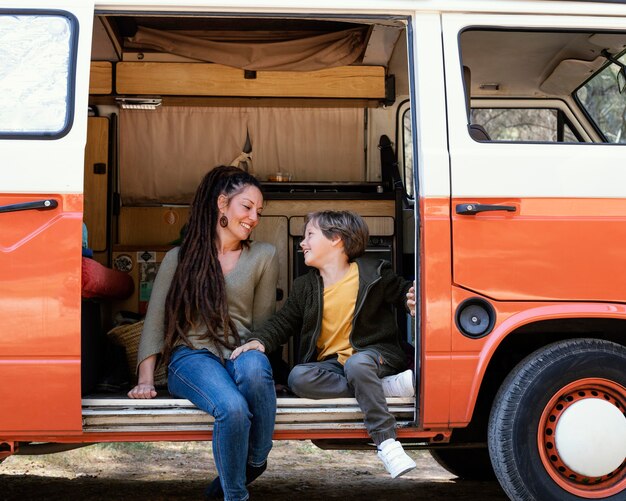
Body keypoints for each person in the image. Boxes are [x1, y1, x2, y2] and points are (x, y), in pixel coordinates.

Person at [128, 165, 279, 501]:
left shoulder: (264, 256)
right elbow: (155, 321)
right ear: (222, 204)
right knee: (233, 408)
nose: (254, 217)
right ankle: (235, 495)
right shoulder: (179, 258)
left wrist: (262, 357)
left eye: (259, 211)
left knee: (255, 370)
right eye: (247, 207)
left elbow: (263, 324)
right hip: (191, 355)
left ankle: (255, 460)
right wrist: (147, 379)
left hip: (241, 351)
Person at [232, 210, 417, 479]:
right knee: (298, 377)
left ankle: (387, 443)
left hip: (374, 356)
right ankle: (379, 389)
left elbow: (403, 292)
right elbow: (284, 321)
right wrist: (259, 340)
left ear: (336, 240)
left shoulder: (373, 272)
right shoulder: (305, 286)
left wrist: (411, 299)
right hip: (334, 368)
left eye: (310, 235)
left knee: (358, 364)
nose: (302, 242)